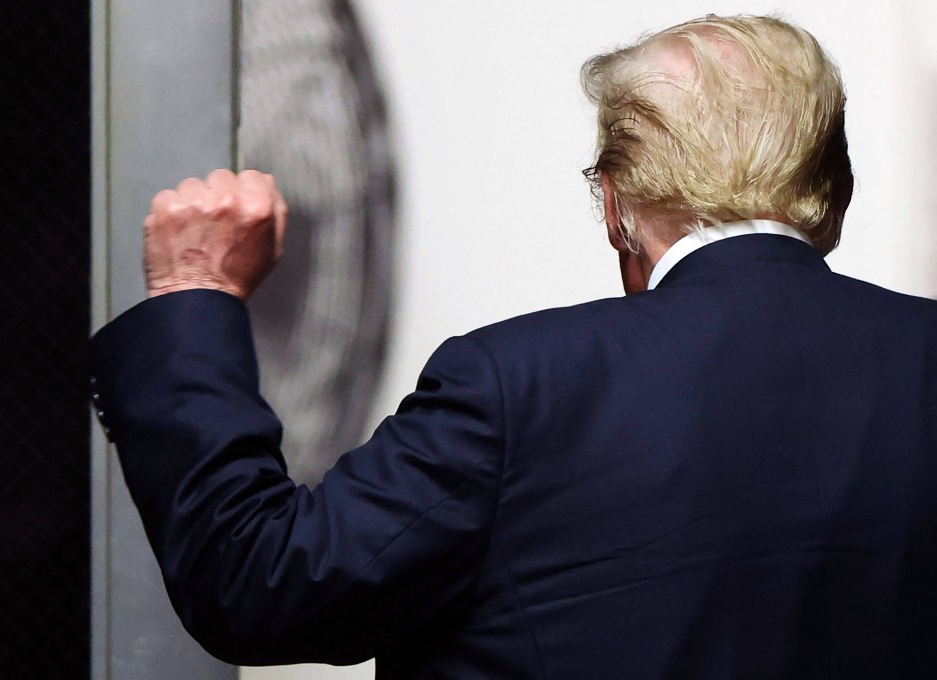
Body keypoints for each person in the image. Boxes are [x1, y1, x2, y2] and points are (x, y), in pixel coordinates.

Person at [90, 14, 937, 678]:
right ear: (834, 191)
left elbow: (261, 584)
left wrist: (192, 294)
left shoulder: (513, 385)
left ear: (614, 203)